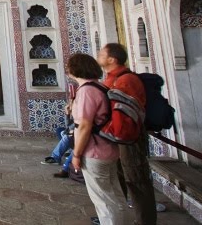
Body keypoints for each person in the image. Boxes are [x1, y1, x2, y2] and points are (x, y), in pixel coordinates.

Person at [98, 43, 161, 224]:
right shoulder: (112, 78)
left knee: (136, 179)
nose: (99, 55)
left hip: (128, 138)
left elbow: (127, 112)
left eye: (102, 53)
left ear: (112, 59)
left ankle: (145, 221)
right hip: (114, 137)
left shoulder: (126, 80)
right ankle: (118, 216)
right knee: (118, 178)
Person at [68, 53, 129, 225]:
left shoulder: (87, 91)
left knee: (104, 201)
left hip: (94, 151)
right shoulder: (100, 87)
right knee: (115, 196)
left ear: (75, 69)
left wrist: (77, 154)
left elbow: (85, 125)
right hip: (107, 149)